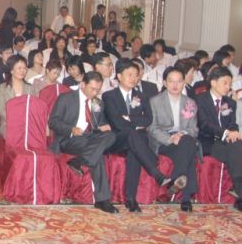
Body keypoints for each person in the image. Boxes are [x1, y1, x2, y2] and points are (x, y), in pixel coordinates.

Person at [103, 59, 185, 212]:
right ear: (119, 76)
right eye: (129, 74)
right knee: (132, 134)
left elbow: (148, 120)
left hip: (136, 142)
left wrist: (129, 118)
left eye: (136, 75)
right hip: (116, 140)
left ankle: (131, 199)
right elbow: (117, 123)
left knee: (134, 150)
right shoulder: (109, 96)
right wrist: (135, 122)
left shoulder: (142, 96)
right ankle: (156, 173)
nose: (134, 78)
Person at [48, 71, 117, 213]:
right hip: (70, 139)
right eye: (92, 89)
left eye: (98, 90)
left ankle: (79, 161)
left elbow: (100, 123)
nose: (95, 93)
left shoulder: (98, 102)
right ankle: (103, 200)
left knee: (111, 136)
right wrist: (71, 129)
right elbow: (53, 122)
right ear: (83, 84)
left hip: (91, 137)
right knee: (97, 153)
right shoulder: (66, 98)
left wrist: (103, 127)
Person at [147, 66, 200, 212]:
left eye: (179, 81)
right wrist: (170, 139)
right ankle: (186, 198)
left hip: (184, 139)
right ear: (164, 82)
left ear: (184, 83)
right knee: (188, 149)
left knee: (187, 143)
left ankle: (175, 180)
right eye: (171, 81)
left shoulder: (190, 102)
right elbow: (152, 128)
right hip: (163, 142)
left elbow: (194, 129)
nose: (175, 85)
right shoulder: (155, 101)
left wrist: (181, 135)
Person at [196, 66, 242, 211]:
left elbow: (233, 124)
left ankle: (239, 191)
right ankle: (239, 190)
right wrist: (227, 133)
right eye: (225, 83)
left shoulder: (230, 102)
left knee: (237, 145)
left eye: (230, 84)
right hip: (207, 140)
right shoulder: (200, 99)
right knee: (236, 150)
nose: (228, 87)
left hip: (227, 141)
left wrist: (234, 132)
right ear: (213, 82)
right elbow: (204, 124)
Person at [0, 55, 34, 138]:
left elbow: (34, 108)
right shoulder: (2, 88)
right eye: (19, 68)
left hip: (27, 124)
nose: (22, 71)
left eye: (24, 68)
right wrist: (17, 120)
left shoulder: (30, 88)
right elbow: (1, 110)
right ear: (11, 70)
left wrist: (25, 121)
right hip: (9, 124)